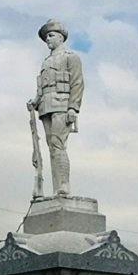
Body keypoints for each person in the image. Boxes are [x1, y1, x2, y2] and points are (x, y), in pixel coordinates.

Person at [26, 18, 85, 197]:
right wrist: (35, 100)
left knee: (58, 146)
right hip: (45, 108)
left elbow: (77, 83)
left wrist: (73, 108)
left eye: (51, 36)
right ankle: (55, 188)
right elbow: (43, 86)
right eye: (46, 37)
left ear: (60, 37)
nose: (48, 40)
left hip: (62, 105)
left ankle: (63, 186)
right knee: (51, 147)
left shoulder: (71, 57)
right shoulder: (45, 62)